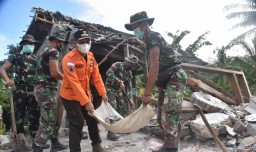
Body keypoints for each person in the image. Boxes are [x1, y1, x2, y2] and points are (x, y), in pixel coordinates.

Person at [125, 11, 187, 152]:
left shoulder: (152, 37)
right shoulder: (147, 41)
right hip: (166, 80)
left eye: (135, 26)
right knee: (162, 116)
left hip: (174, 78)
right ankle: (168, 145)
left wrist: (146, 93)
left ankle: (171, 149)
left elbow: (154, 67)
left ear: (144, 25)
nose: (134, 30)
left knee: (170, 115)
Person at [60, 29, 108, 152]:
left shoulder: (91, 56)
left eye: (87, 41)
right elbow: (74, 83)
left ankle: (96, 145)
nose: (85, 44)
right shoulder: (69, 59)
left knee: (92, 118)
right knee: (77, 122)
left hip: (85, 94)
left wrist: (103, 93)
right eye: (82, 41)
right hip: (70, 96)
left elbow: (96, 76)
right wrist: (86, 102)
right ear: (75, 43)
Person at [0, 34, 41, 148]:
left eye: (30, 43)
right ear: (23, 45)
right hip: (19, 91)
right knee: (18, 119)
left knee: (34, 118)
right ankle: (19, 145)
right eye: (26, 43)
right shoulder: (16, 56)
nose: (28, 45)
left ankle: (36, 144)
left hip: (33, 91)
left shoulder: (37, 59)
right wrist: (7, 80)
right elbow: (2, 69)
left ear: (34, 45)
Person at [32, 29, 68, 152]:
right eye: (61, 42)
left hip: (42, 89)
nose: (62, 44)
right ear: (56, 41)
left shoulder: (43, 51)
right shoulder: (53, 51)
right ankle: (37, 146)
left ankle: (55, 143)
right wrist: (67, 77)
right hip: (46, 90)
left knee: (50, 118)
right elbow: (54, 73)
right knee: (48, 121)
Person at [105, 54, 139, 141]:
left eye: (134, 65)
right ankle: (110, 132)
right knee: (113, 106)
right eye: (132, 64)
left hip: (119, 90)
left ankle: (119, 127)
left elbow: (129, 87)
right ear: (128, 62)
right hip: (110, 88)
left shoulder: (129, 73)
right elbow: (108, 72)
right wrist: (119, 81)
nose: (133, 66)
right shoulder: (118, 65)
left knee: (122, 106)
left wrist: (130, 100)